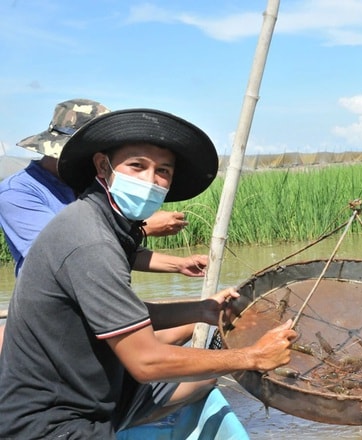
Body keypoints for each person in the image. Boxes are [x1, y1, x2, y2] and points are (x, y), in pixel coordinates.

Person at [0, 108, 297, 438]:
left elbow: (121, 316)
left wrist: (201, 311)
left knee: (201, 381)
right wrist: (253, 356)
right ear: (103, 166)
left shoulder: (105, 224)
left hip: (96, 392)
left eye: (163, 171)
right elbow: (146, 363)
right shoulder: (90, 241)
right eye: (137, 166)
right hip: (51, 422)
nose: (150, 180)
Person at [0, 98, 194, 277]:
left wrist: (180, 264)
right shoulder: (17, 192)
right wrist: (145, 228)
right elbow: (59, 253)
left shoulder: (93, 184)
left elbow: (119, 249)